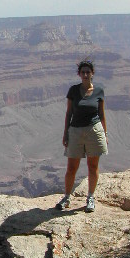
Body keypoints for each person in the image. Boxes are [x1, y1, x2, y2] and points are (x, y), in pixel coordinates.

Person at [56, 60, 108, 212]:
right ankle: (66, 197)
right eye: (83, 72)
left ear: (92, 73)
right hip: (76, 131)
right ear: (79, 74)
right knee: (71, 168)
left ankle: (90, 198)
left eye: (88, 72)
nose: (85, 74)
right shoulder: (73, 91)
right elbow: (69, 113)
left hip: (94, 130)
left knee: (93, 166)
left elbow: (102, 114)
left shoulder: (99, 91)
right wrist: (65, 133)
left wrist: (105, 134)